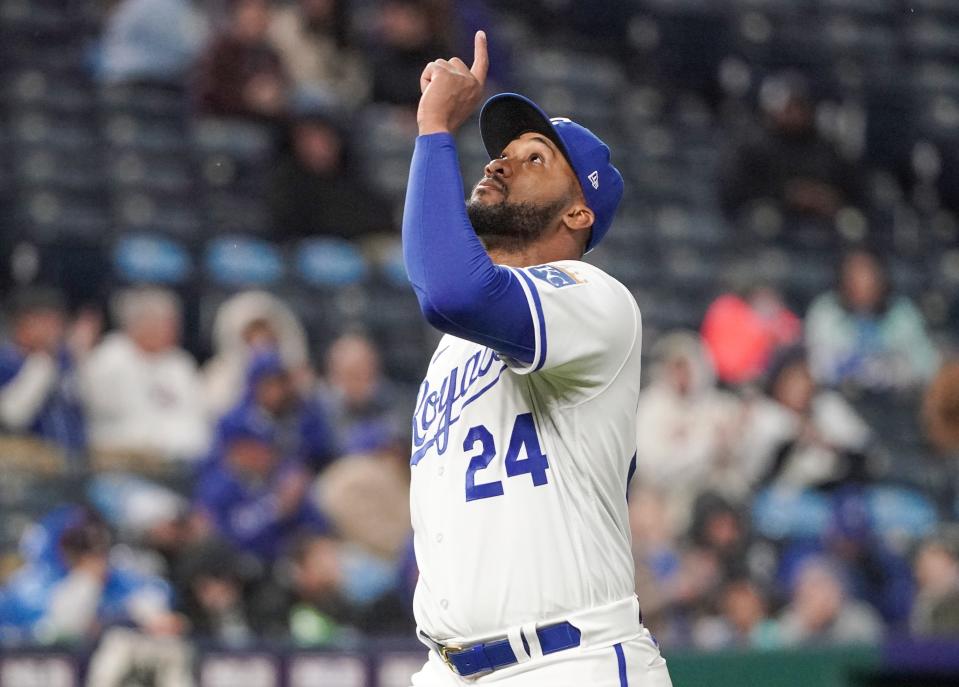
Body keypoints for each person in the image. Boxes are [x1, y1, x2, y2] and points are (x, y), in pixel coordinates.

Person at [401, 32, 671, 685]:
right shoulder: (454, 347)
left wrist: (435, 128)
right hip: (449, 668)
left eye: (533, 158)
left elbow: (449, 287)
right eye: (498, 153)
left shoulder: (594, 300)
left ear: (578, 210)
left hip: (568, 661)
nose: (498, 163)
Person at [81, 288, 210, 462]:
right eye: (165, 323)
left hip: (180, 460)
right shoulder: (110, 358)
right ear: (139, 324)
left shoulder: (180, 363)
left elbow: (196, 415)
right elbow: (103, 410)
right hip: (123, 458)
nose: (173, 330)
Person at [718, 71, 862, 224]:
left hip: (823, 227)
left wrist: (828, 196)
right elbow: (733, 191)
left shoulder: (827, 148)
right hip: (769, 228)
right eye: (789, 106)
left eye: (800, 105)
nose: (795, 113)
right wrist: (787, 194)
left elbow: (857, 191)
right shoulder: (751, 146)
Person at [634, 331, 744, 529]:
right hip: (664, 499)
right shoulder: (651, 406)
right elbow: (653, 468)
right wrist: (706, 445)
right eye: (675, 368)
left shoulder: (719, 406)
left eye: (686, 367)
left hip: (712, 499)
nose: (681, 376)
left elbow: (736, 456)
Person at [193, 411, 329, 563]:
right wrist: (278, 510)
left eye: (264, 446)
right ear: (237, 450)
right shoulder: (216, 489)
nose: (264, 453)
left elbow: (319, 525)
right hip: (253, 571)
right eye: (254, 447)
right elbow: (230, 544)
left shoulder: (283, 473)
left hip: (297, 559)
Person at [805, 249, 940, 392]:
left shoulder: (902, 313)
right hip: (839, 401)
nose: (864, 283)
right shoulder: (826, 311)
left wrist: (888, 370)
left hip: (895, 403)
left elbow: (926, 367)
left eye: (870, 275)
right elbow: (817, 369)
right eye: (855, 277)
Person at [268, 109, 395, 242]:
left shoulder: (354, 175)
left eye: (323, 138)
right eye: (309, 139)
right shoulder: (286, 182)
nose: (318, 146)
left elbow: (376, 218)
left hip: (358, 245)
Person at [0, 288, 91, 456]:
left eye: (56, 322)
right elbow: (13, 416)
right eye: (45, 321)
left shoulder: (65, 359)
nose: (54, 329)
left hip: (74, 461)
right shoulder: (6, 361)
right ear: (21, 324)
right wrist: (41, 364)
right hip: (24, 464)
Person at [202, 290, 310, 419]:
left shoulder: (296, 375)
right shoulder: (218, 378)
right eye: (252, 334)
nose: (261, 341)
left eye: (265, 331)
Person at [194, 0, 289, 121]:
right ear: (237, 16)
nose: (255, 17)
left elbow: (282, 89)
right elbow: (208, 93)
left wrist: (275, 97)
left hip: (263, 121)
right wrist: (247, 97)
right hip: (222, 121)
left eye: (260, 13)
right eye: (249, 13)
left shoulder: (270, 55)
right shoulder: (220, 49)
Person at [267, 0, 369, 110]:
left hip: (336, 106)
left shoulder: (344, 32)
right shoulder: (281, 26)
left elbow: (358, 86)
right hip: (291, 101)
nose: (315, 3)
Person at [97, 0, 210, 86]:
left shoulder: (134, 4)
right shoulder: (166, 6)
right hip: (142, 82)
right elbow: (188, 48)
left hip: (118, 77)